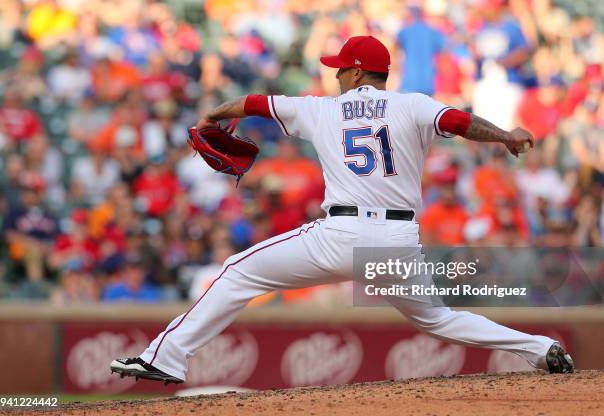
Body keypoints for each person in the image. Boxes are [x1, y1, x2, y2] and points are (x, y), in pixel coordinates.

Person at [111, 35, 574, 384]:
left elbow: (254, 103)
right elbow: (459, 121)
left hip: (340, 236)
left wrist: (214, 113)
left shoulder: (322, 110)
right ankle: (540, 348)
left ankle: (165, 358)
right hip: (397, 242)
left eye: (339, 69)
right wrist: (507, 137)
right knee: (438, 318)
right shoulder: (412, 104)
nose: (335, 76)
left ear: (355, 74)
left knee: (237, 271)